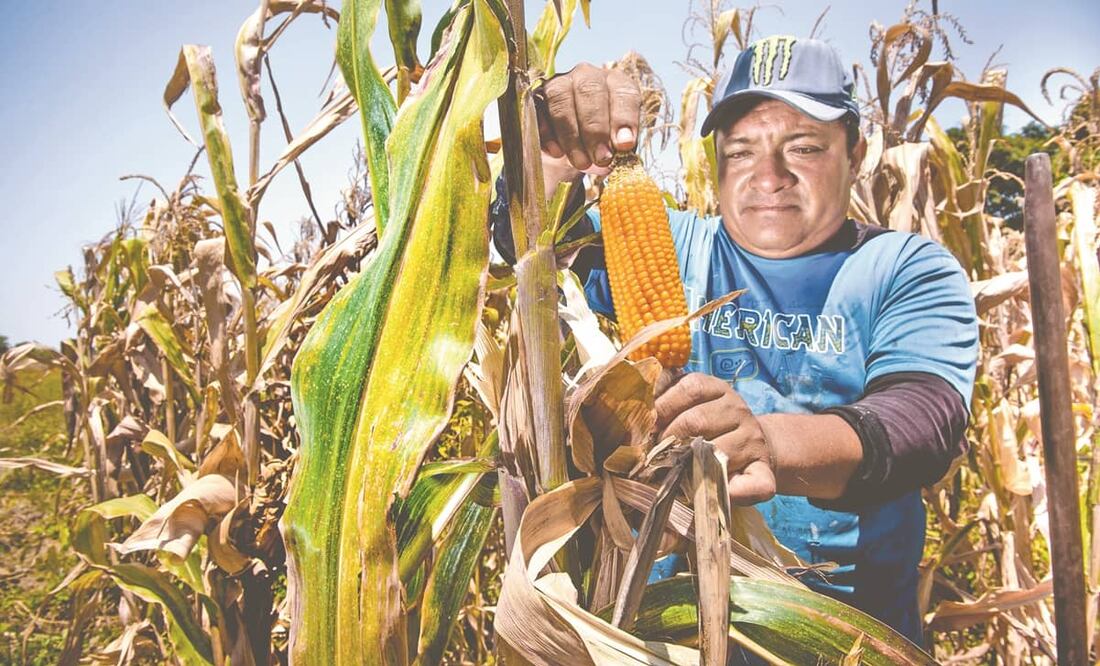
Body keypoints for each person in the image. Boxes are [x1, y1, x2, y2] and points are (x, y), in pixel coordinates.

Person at [490, 35, 978, 644]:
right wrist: (544, 151)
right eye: (742, 149)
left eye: (802, 146)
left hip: (845, 637)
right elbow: (530, 237)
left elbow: (921, 423)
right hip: (682, 631)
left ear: (855, 152)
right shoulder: (677, 242)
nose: (768, 177)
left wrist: (767, 442)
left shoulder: (905, 267)